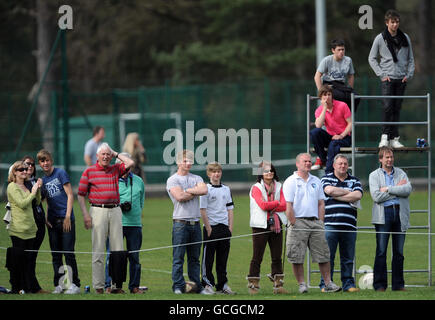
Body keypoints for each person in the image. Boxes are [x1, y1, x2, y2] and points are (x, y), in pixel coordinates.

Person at [77, 142, 135, 294]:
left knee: (118, 251)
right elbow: (81, 195)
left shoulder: (115, 169)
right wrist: (85, 215)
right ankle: (99, 286)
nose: (105, 157)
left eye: (107, 154)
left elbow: (130, 162)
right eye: (102, 154)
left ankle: (116, 286)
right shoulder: (89, 171)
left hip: (115, 210)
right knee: (98, 250)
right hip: (97, 210)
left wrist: (115, 153)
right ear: (97, 156)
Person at [282, 153, 341, 293]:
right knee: (297, 256)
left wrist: (320, 221)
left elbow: (321, 203)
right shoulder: (291, 181)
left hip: (315, 223)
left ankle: (328, 283)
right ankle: (302, 284)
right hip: (298, 222)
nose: (308, 163)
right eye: (305, 161)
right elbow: (288, 205)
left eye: (310, 161)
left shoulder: (317, 181)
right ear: (297, 164)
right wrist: (293, 222)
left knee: (323, 254)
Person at [368, 9, 415, 148]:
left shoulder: (405, 37)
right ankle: (384, 136)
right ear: (387, 23)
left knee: (397, 108)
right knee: (387, 107)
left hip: (401, 78)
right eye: (392, 22)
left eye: (397, 22)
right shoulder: (380, 38)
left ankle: (394, 138)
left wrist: (409, 74)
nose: (395, 25)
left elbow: (411, 58)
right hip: (387, 79)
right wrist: (382, 74)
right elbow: (371, 58)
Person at [166, 149, 210, 295]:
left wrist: (188, 191)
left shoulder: (196, 177)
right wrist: (194, 191)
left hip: (195, 224)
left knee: (194, 259)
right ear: (179, 162)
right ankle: (178, 286)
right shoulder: (173, 179)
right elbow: (179, 196)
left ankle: (196, 287)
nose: (189, 163)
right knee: (178, 258)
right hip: (180, 224)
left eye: (190, 160)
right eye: (185, 160)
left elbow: (204, 190)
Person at [37, 149, 81, 294]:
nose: (45, 163)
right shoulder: (42, 181)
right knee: (56, 254)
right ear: (40, 164)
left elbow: (70, 195)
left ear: (51, 160)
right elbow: (44, 202)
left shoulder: (60, 173)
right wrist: (46, 218)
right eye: (42, 161)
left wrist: (68, 216)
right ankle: (59, 285)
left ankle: (74, 285)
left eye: (47, 160)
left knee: (68, 253)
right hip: (53, 222)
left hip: (66, 220)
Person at [369, 146, 412, 291]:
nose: (390, 159)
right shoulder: (374, 175)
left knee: (399, 252)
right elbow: (376, 197)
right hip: (383, 215)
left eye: (391, 157)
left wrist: (388, 189)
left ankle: (398, 285)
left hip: (400, 214)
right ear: (380, 159)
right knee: (381, 251)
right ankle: (380, 285)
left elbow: (407, 190)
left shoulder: (401, 173)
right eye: (386, 157)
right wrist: (396, 190)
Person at [319, 154, 363, 292]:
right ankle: (326, 284)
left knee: (348, 258)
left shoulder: (355, 180)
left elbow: (358, 195)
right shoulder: (326, 178)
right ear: (334, 165)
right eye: (340, 163)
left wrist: (338, 194)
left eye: (345, 163)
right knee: (328, 257)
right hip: (330, 224)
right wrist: (348, 192)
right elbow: (329, 190)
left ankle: (348, 284)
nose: (343, 166)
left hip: (349, 226)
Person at [247, 161, 288, 295]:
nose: (269, 173)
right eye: (266, 171)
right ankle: (253, 286)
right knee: (257, 257)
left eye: (271, 170)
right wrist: (276, 203)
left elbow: (284, 206)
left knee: (277, 256)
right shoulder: (256, 188)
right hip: (260, 225)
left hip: (276, 225)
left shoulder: (279, 186)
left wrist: (272, 204)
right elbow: (263, 206)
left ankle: (278, 286)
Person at [6, 161, 41, 293]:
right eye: (21, 169)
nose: (25, 171)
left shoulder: (27, 185)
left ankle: (27, 287)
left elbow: (36, 201)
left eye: (26, 169)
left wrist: (37, 189)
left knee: (28, 262)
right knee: (17, 262)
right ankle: (16, 287)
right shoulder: (12, 187)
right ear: (15, 172)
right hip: (18, 230)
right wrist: (32, 192)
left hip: (31, 229)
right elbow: (22, 203)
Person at [200, 162, 235, 295]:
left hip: (224, 228)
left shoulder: (226, 189)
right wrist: (208, 228)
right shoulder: (205, 189)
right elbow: (202, 210)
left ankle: (222, 285)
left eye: (218, 171)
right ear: (209, 174)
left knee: (222, 259)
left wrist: (230, 227)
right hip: (211, 228)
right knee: (208, 258)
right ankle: (207, 284)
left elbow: (230, 209)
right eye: (213, 172)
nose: (216, 174)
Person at [117, 152, 146, 294]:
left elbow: (141, 202)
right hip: (117, 224)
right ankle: (115, 287)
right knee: (115, 256)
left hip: (135, 225)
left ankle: (134, 286)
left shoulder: (139, 181)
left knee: (134, 257)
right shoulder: (113, 181)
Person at [20, 156, 49, 294]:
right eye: (27, 164)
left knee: (33, 256)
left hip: (39, 223)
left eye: (32, 164)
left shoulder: (35, 181)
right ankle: (30, 287)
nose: (30, 166)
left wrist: (39, 187)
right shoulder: (20, 183)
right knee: (28, 256)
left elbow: (41, 199)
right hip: (27, 225)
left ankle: (32, 286)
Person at [310, 85, 352, 172]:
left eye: (329, 94)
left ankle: (328, 172)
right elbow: (318, 125)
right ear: (320, 97)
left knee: (333, 145)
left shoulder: (342, 105)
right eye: (325, 95)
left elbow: (351, 123)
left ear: (332, 95)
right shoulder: (319, 110)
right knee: (314, 132)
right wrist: (324, 108)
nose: (327, 97)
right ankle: (323, 159)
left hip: (344, 137)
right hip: (331, 137)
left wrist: (341, 135)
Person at [314, 39, 360, 111]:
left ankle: (349, 117)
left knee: (355, 97)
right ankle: (337, 116)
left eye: (343, 49)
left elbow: (351, 75)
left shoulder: (348, 60)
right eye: (339, 50)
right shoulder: (327, 60)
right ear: (333, 50)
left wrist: (350, 89)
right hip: (329, 85)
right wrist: (322, 92)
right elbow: (317, 76)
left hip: (341, 85)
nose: (341, 52)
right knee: (339, 96)